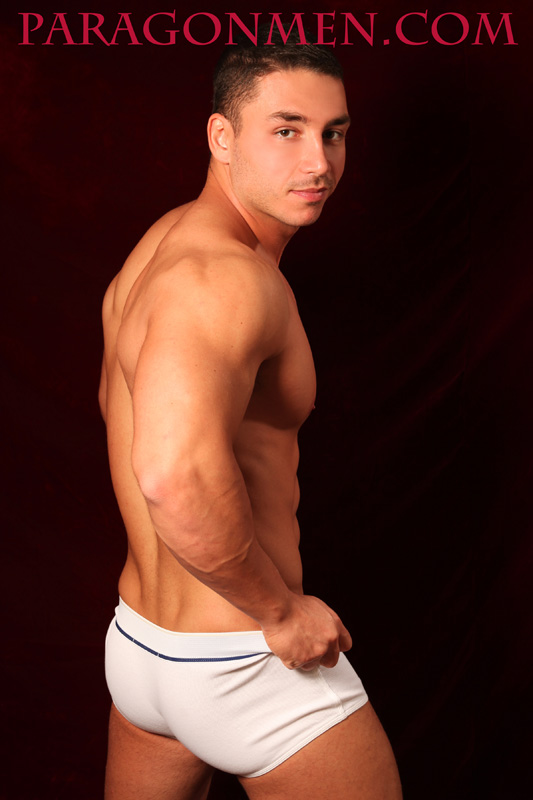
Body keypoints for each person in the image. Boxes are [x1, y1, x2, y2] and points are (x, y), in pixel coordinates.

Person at [99, 32, 402, 800]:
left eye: (333, 133)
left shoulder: (164, 243)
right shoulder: (226, 279)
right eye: (286, 130)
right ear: (221, 136)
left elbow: (131, 418)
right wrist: (281, 613)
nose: (318, 162)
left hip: (143, 647)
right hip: (243, 660)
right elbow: (169, 474)